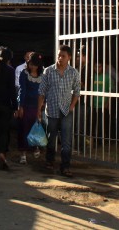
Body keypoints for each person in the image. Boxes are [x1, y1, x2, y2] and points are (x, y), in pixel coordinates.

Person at [38, 44, 81, 178]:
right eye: (59, 55)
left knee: (66, 141)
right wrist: (38, 109)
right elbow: (41, 92)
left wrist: (72, 106)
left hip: (66, 111)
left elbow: (77, 91)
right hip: (51, 110)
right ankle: (50, 161)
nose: (60, 58)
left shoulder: (73, 72)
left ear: (69, 57)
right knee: (51, 138)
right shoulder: (48, 71)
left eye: (63, 56)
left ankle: (65, 166)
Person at [17, 53, 44, 164]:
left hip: (37, 106)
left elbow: (42, 93)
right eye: (31, 64)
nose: (33, 67)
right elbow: (22, 90)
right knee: (24, 129)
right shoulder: (24, 74)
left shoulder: (42, 75)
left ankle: (35, 147)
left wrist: (40, 108)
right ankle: (23, 153)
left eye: (35, 65)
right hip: (26, 105)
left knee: (36, 128)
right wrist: (20, 106)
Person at [91, 61, 112, 144]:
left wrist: (108, 103)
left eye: (99, 66)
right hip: (93, 104)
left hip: (103, 105)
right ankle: (93, 140)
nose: (97, 68)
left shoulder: (107, 77)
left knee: (102, 124)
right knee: (92, 123)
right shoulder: (91, 76)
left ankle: (101, 141)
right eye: (96, 67)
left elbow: (111, 91)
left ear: (103, 68)